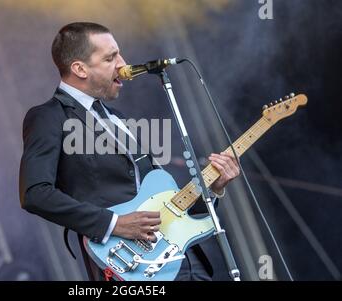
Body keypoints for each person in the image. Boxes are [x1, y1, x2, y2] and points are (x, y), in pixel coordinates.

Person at [19, 22, 240, 281]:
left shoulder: (117, 119)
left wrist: (214, 189)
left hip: (182, 260)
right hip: (128, 264)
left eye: (119, 54)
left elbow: (165, 201)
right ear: (79, 68)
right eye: (110, 57)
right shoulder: (49, 116)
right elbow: (35, 193)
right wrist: (114, 223)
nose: (123, 64)